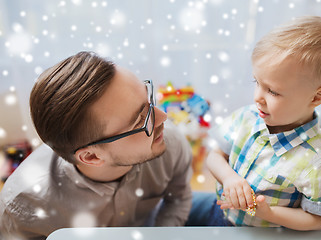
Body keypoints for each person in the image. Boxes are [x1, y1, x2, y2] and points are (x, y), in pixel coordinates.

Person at [0, 51, 193, 239]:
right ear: (92, 157)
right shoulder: (23, 205)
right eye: (141, 121)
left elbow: (178, 199)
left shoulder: (169, 142)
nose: (163, 117)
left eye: (148, 98)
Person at [190, 16, 321, 230]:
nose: (258, 96)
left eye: (273, 91)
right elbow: (215, 156)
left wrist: (270, 213)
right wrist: (229, 178)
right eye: (256, 82)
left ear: (316, 98)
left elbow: (318, 220)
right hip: (219, 216)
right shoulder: (246, 117)